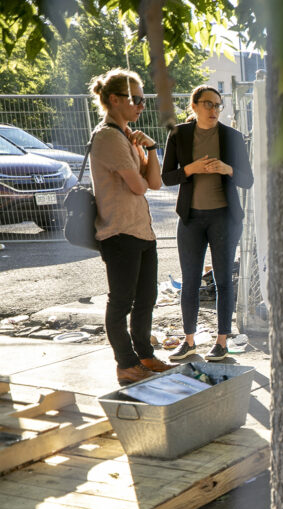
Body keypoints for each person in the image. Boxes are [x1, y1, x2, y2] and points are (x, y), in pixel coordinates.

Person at [88, 68, 174, 386]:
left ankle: (144, 355)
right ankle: (125, 364)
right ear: (114, 99)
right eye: (135, 99)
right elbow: (138, 187)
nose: (141, 106)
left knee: (146, 298)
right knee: (122, 301)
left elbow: (154, 182)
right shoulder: (109, 136)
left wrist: (150, 149)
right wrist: (141, 156)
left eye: (143, 99)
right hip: (119, 231)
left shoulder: (129, 136)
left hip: (141, 230)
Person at [161, 85, 254, 362]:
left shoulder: (231, 136)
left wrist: (227, 169)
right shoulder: (179, 134)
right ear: (194, 106)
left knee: (223, 280)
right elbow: (167, 177)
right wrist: (191, 169)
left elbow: (247, 180)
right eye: (208, 104)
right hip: (191, 218)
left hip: (223, 218)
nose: (214, 110)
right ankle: (189, 341)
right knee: (189, 280)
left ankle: (221, 341)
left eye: (218, 105)